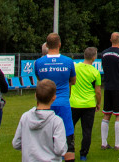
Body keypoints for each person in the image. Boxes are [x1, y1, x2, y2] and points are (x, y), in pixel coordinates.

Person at [33, 33, 76, 162]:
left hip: (45, 104)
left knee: (45, 137)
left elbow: (41, 81)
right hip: (63, 103)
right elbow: (73, 80)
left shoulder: (39, 63)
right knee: (68, 137)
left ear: (46, 45)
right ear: (59, 44)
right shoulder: (68, 61)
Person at [13, 79, 68, 162]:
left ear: (35, 95)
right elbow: (60, 149)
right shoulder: (56, 121)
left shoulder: (25, 117)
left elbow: (16, 143)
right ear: (54, 97)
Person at [70, 47, 102, 162]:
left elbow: (70, 82)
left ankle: (69, 150)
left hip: (74, 103)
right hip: (89, 105)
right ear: (94, 58)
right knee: (87, 131)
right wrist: (98, 103)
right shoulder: (95, 72)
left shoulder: (75, 67)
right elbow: (97, 91)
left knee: (69, 129)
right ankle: (83, 154)